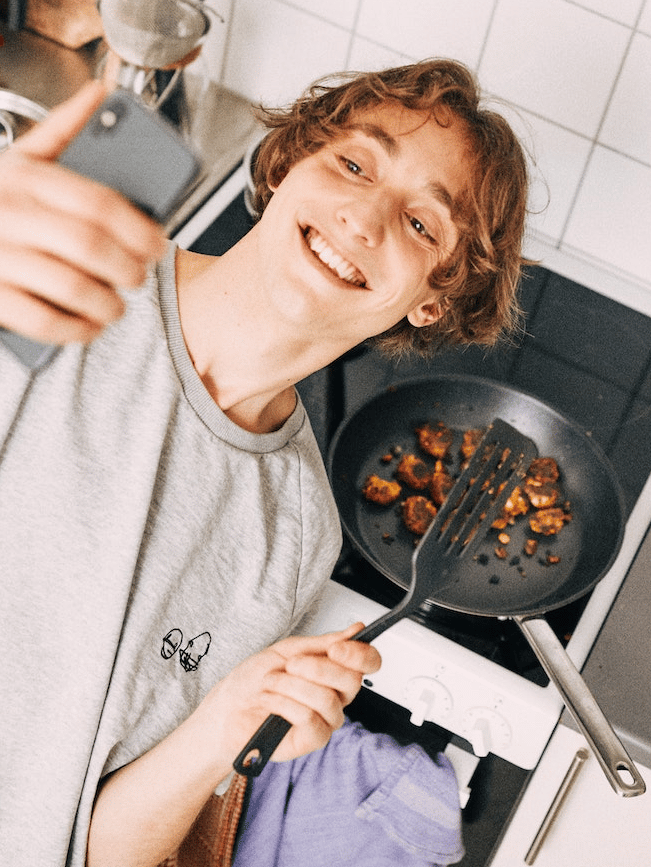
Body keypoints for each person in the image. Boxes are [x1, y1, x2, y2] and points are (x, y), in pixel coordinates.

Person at [0, 58, 528, 867]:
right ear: (286, 163)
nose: (364, 218)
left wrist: (223, 727)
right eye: (354, 163)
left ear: (432, 299)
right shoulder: (61, 284)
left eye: (422, 224)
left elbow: (97, 848)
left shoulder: (295, 533)